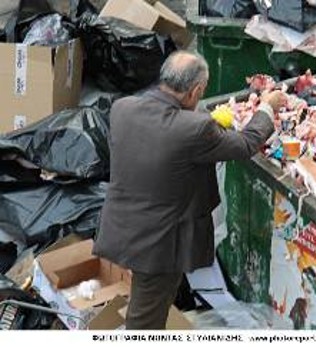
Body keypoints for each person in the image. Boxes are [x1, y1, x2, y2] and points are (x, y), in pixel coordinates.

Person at [92, 51, 285, 330]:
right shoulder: (195, 128)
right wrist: (267, 107)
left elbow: (163, 143)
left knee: (148, 302)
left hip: (122, 228)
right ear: (195, 90)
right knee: (145, 320)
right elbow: (245, 144)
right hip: (157, 245)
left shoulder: (123, 108)